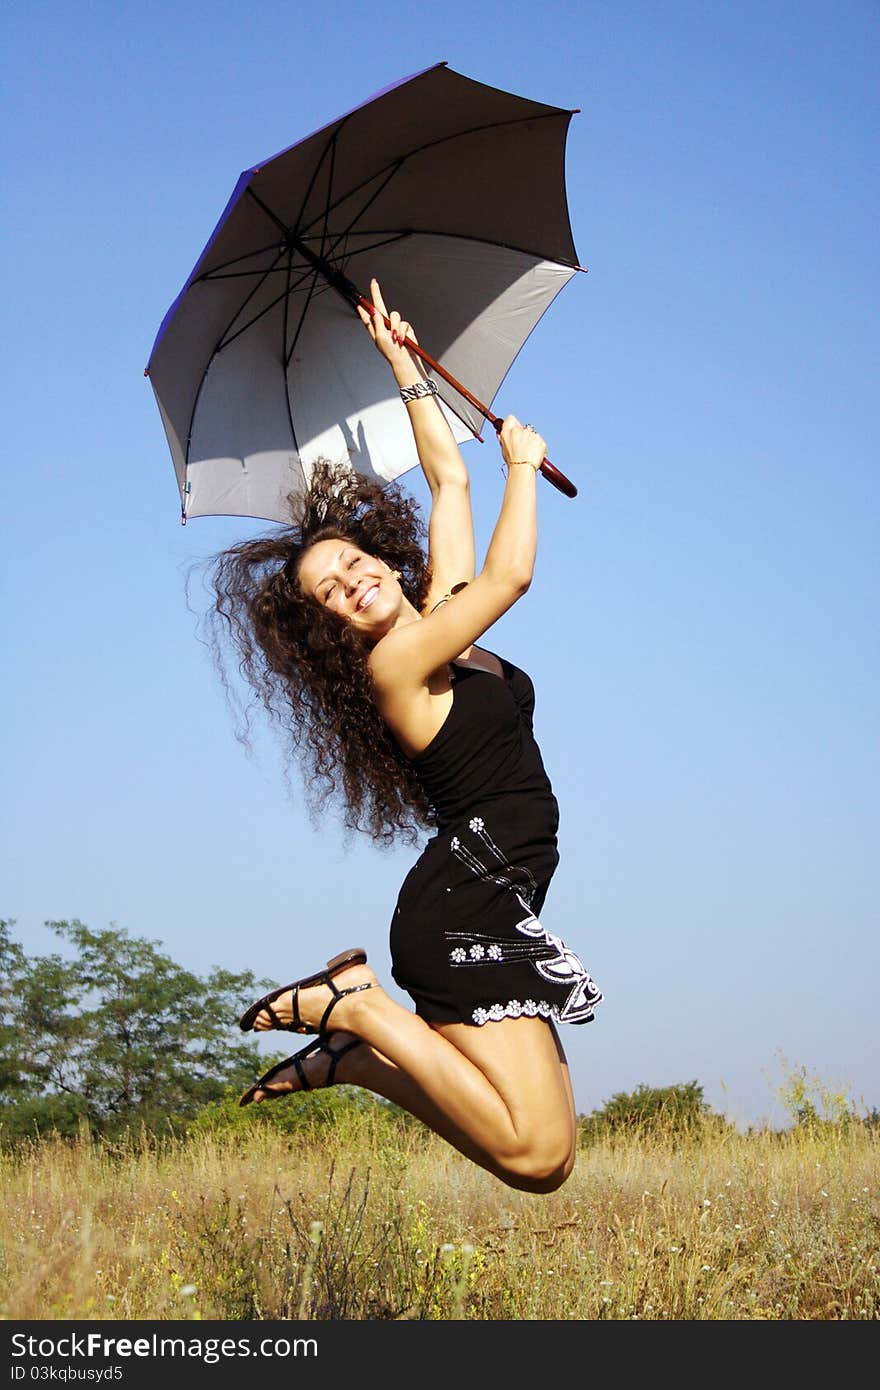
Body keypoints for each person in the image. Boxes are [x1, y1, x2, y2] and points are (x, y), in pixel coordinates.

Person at [216, 279, 602, 1193]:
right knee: (537, 1158)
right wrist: (524, 466)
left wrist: (403, 365)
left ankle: (352, 1054)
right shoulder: (397, 668)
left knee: (549, 1155)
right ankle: (361, 1012)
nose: (351, 584)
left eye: (353, 563)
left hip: (492, 897)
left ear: (385, 557)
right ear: (332, 628)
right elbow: (511, 577)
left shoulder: (440, 623)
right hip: (459, 906)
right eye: (330, 594)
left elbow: (445, 479)